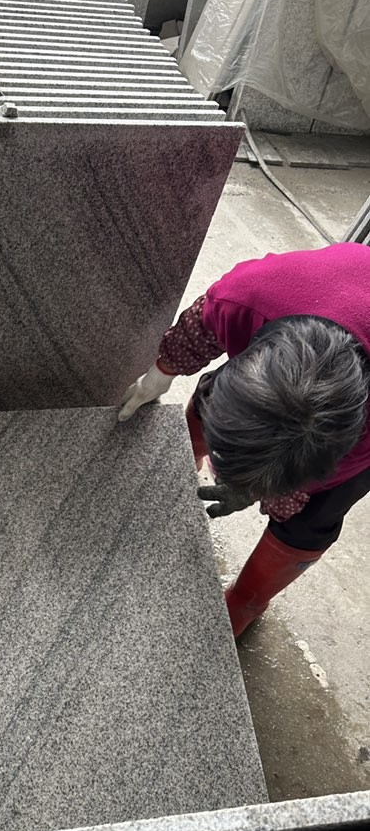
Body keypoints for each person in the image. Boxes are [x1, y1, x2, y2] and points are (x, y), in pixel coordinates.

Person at [118, 243, 370, 638]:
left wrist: (260, 489)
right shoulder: (251, 294)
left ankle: (246, 600)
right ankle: (190, 454)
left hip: (357, 441)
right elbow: (201, 323)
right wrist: (162, 371)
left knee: (309, 519)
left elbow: (309, 478)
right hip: (309, 304)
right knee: (210, 402)